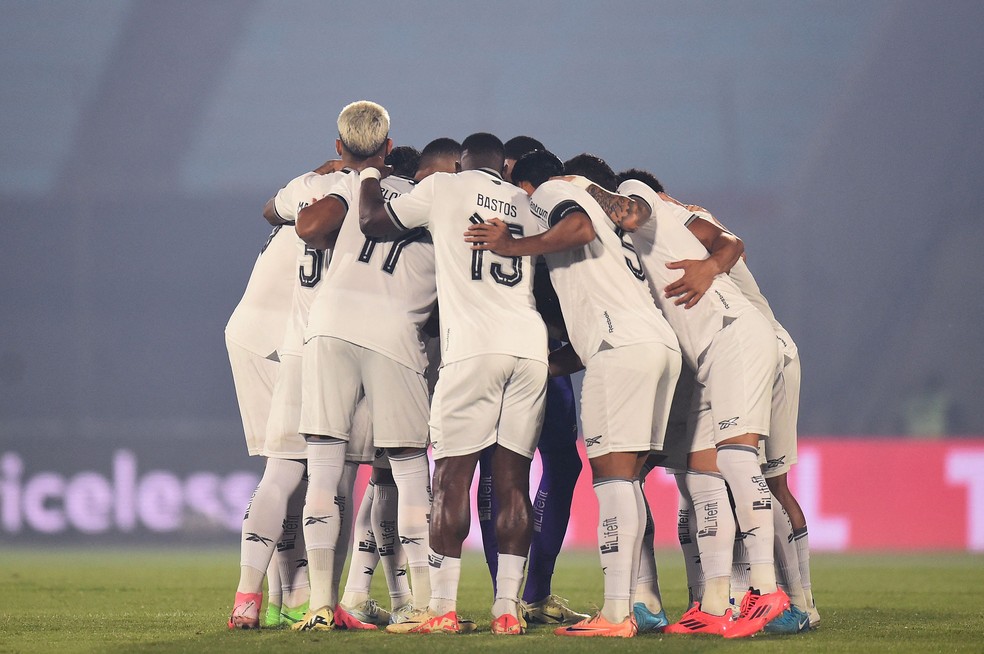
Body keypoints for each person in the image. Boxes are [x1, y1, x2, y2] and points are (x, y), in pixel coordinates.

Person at [466, 151, 681, 638]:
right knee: (627, 477)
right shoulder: (609, 224)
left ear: (523, 182)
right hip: (654, 344)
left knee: (612, 480)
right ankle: (637, 604)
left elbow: (578, 227)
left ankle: (616, 614)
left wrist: (513, 246)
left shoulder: (553, 191)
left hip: (619, 349)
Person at [361, 132, 549, 635]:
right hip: (529, 346)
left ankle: (441, 608)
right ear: (501, 168)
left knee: (451, 478)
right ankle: (507, 609)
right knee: (513, 482)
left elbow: (375, 223)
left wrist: (369, 174)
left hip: (473, 347)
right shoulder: (522, 202)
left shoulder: (445, 188)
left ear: (462, 162)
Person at [615, 170, 789, 638]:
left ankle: (767, 591)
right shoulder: (640, 238)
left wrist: (572, 185)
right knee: (700, 471)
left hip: (733, 337)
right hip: (709, 356)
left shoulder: (638, 200)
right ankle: (714, 604)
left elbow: (730, 241)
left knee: (737, 457)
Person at [287, 101, 438, 634]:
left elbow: (307, 226)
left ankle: (322, 607)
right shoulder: (439, 203)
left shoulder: (356, 187)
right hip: (394, 332)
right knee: (409, 468)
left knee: (325, 468)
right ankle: (423, 604)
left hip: (327, 324)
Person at [226, 156, 354, 629]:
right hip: (283, 343)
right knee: (311, 472)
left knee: (284, 469)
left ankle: (271, 598)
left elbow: (268, 208)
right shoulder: (359, 201)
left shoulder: (306, 189)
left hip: (251, 332)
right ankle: (299, 593)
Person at [476, 136, 587, 626]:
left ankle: (526, 592)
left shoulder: (533, 212)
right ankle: (519, 590)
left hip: (525, 357)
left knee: (539, 468)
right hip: (517, 356)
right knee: (512, 471)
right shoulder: (510, 213)